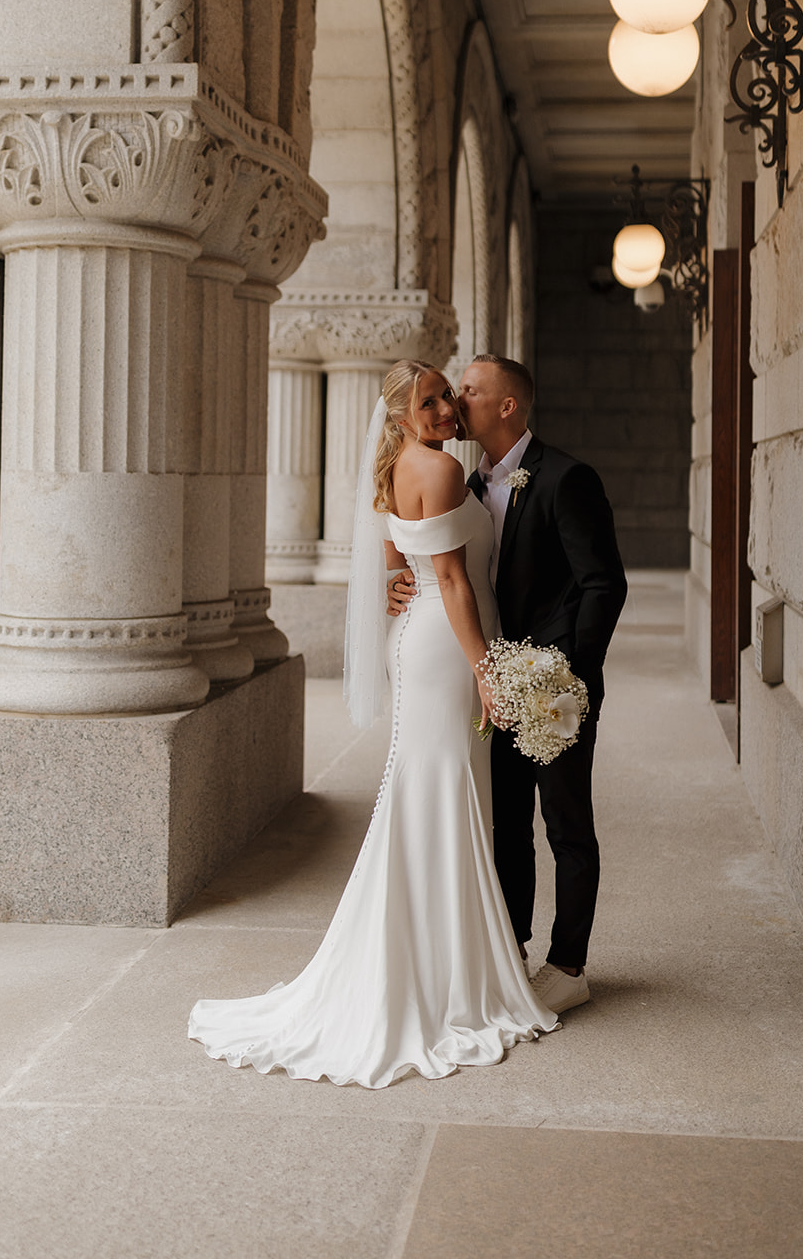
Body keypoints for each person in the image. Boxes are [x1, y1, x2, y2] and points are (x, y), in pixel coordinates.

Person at [188, 359, 557, 1088]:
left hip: (421, 639)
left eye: (446, 396)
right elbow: (450, 580)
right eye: (428, 403)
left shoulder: (400, 470)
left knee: (431, 793)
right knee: (442, 791)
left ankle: (435, 959)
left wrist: (406, 588)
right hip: (447, 650)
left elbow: (400, 564)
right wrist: (486, 668)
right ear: (399, 417)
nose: (445, 410)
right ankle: (444, 974)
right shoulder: (442, 472)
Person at [389, 354, 627, 1014]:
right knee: (506, 826)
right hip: (489, 681)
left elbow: (602, 584)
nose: (455, 402)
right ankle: (511, 949)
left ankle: (570, 964)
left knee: (566, 826)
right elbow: (444, 562)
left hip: (550, 688)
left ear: (506, 407)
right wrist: (402, 581)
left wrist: (565, 677)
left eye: (467, 391)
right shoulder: (462, 480)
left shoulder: (567, 479)